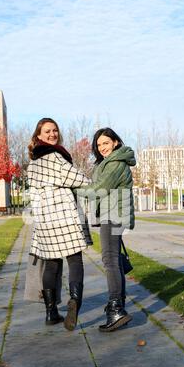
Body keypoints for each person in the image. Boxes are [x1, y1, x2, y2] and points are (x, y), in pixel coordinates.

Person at [27, 117, 92, 330]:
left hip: (44, 220)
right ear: (38, 135)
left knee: (51, 264)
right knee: (75, 260)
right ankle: (74, 301)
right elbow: (79, 180)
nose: (52, 134)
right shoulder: (56, 157)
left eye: (55, 130)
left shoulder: (33, 164)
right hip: (64, 217)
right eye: (47, 131)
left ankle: (50, 312)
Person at [77, 127, 136, 332]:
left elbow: (98, 190)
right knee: (115, 260)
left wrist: (74, 189)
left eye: (106, 143)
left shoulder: (116, 164)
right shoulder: (108, 163)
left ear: (116, 143)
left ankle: (116, 308)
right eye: (99, 144)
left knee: (110, 260)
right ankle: (118, 307)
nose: (102, 147)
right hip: (112, 215)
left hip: (113, 215)